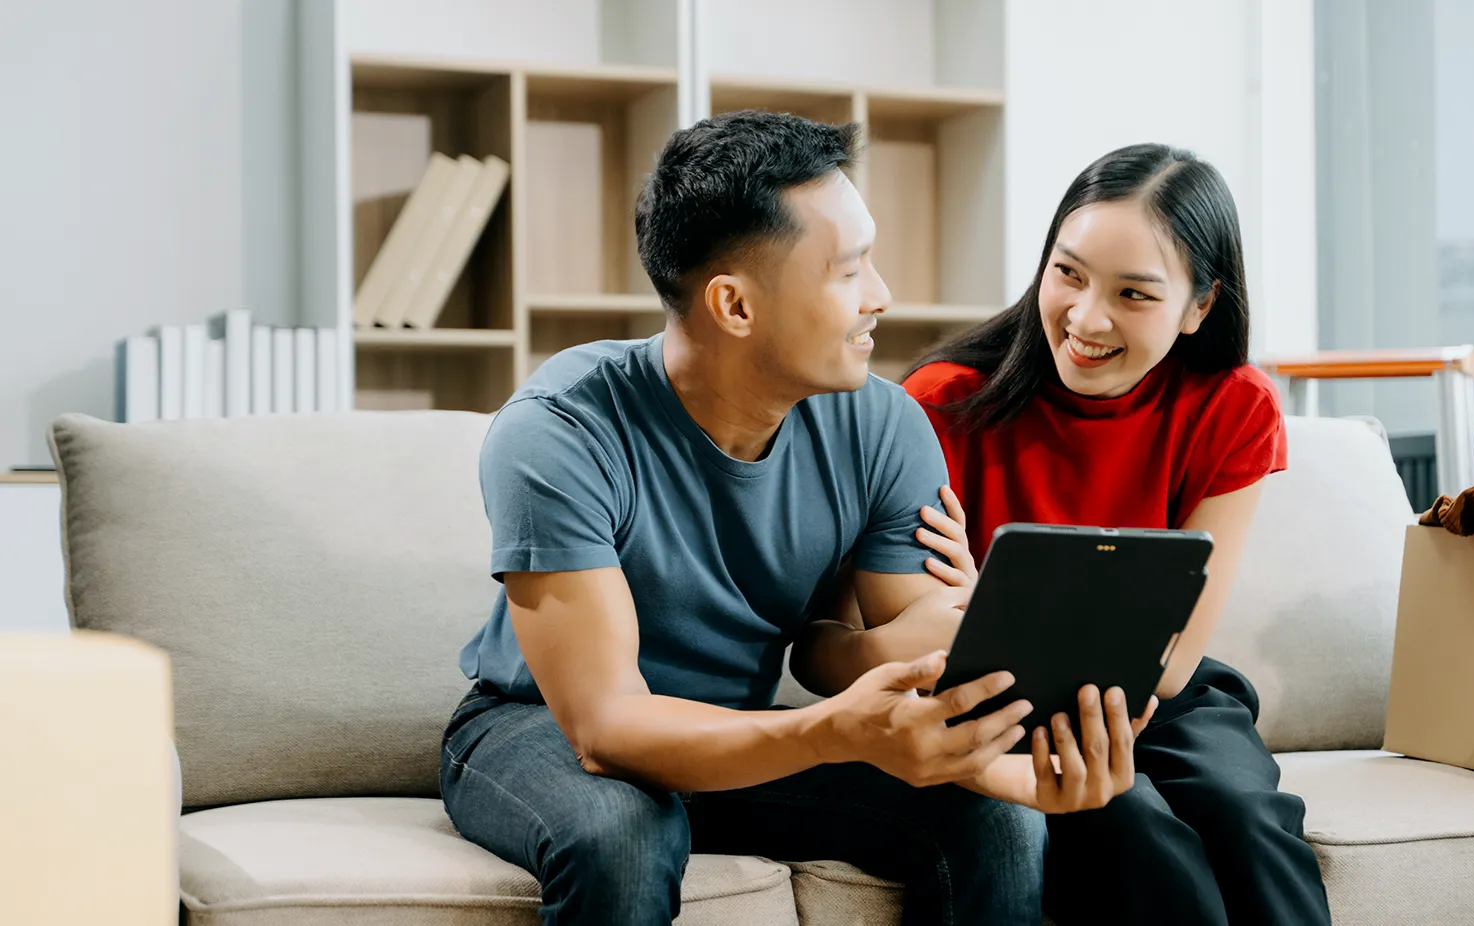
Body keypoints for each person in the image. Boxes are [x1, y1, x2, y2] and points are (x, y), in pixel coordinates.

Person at [439, 111, 1152, 926]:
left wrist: (1002, 741)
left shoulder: (882, 424)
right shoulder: (561, 429)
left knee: (998, 818)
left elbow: (915, 655)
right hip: (538, 729)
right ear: (735, 306)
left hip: (742, 731)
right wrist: (832, 732)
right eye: (849, 272)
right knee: (622, 833)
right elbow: (607, 726)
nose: (881, 296)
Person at [900, 143, 1334, 926]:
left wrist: (993, 599)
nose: (1086, 318)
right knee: (1134, 828)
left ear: (1199, 306)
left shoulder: (1235, 404)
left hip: (1168, 695)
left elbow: (1173, 664)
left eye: (1134, 293)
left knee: (1248, 818)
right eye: (1068, 274)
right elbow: (924, 637)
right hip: (1015, 698)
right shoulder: (944, 402)